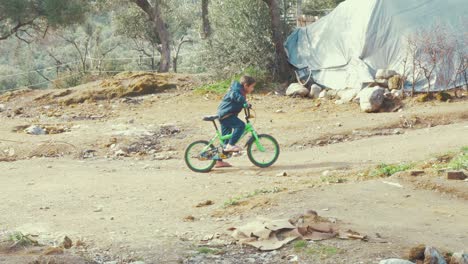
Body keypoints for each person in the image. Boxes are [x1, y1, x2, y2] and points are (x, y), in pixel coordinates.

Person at [215, 75, 256, 168]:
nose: (253, 89)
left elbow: (238, 101)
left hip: (226, 115)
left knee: (225, 141)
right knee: (241, 126)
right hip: (226, 115)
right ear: (246, 85)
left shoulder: (240, 91)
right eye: (252, 86)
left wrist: (245, 105)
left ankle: (219, 161)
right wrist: (244, 102)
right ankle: (231, 145)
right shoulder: (236, 90)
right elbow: (235, 96)